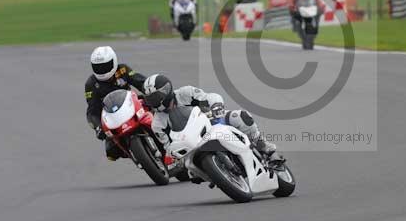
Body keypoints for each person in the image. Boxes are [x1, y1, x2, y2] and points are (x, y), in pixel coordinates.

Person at [143, 74, 277, 156]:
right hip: (192, 146)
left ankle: (263, 145)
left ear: (165, 92)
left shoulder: (185, 93)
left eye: (155, 97)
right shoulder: (157, 124)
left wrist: (216, 108)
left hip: (212, 122)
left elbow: (210, 97)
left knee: (241, 116)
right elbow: (167, 146)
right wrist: (173, 157)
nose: (154, 102)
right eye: (150, 99)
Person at [84, 46, 147, 161]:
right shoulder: (91, 84)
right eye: (98, 67)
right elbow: (92, 112)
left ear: (114, 61)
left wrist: (149, 89)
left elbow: (139, 81)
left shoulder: (122, 69)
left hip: (132, 106)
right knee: (111, 153)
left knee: (157, 109)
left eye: (105, 66)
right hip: (113, 117)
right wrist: (98, 128)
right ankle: (135, 154)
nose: (102, 70)